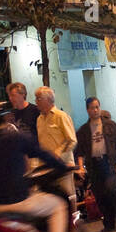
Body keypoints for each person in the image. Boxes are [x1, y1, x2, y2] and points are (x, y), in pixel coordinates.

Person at [0, 100, 73, 232]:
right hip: (20, 200)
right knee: (59, 205)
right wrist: (64, 167)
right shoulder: (18, 137)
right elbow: (43, 154)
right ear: (7, 117)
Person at [75, 97, 116, 232]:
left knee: (110, 189)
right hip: (94, 165)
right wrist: (80, 167)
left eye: (97, 107)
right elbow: (80, 152)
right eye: (92, 108)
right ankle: (109, 223)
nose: (95, 110)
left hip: (109, 162)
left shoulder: (110, 125)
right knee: (100, 195)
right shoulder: (83, 131)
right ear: (87, 110)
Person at [35, 85, 78, 216]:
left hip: (63, 165)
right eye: (36, 98)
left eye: (39, 98)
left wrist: (57, 154)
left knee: (69, 197)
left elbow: (71, 140)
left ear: (49, 99)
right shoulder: (39, 119)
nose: (36, 101)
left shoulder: (61, 116)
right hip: (46, 167)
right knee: (52, 200)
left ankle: (74, 228)